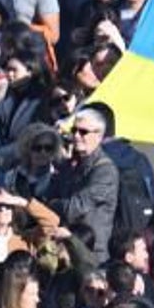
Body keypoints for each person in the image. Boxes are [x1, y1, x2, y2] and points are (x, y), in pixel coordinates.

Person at [46, 107, 119, 263]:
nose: (76, 136)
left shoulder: (105, 171)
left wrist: (52, 204)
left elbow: (74, 208)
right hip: (67, 248)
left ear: (99, 136)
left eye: (83, 132)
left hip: (91, 253)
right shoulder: (73, 164)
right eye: (74, 130)